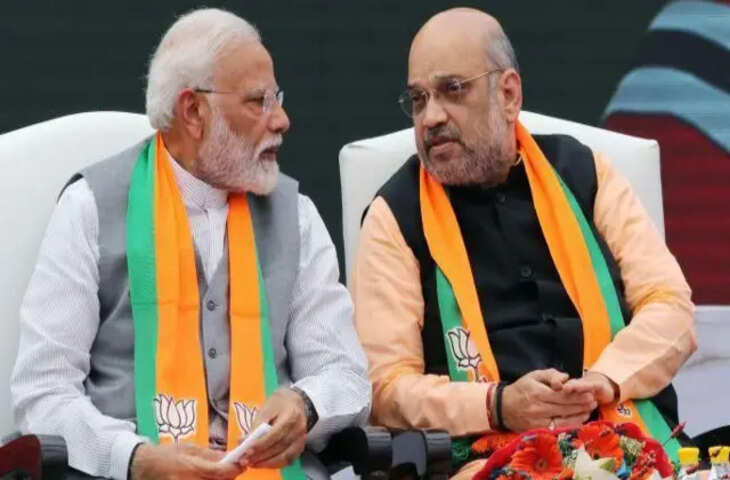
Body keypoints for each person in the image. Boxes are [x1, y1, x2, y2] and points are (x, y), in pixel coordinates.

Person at [11, 8, 370, 480]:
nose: (282, 120)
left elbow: (346, 373)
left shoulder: (295, 215)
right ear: (194, 112)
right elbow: (42, 392)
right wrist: (135, 458)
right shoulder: (90, 208)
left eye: (277, 99)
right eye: (259, 102)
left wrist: (306, 404)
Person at [352, 7, 696, 479]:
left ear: (508, 94)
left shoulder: (584, 173)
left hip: (622, 439)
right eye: (418, 99)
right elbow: (385, 387)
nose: (431, 117)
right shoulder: (395, 216)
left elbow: (671, 305)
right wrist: (498, 405)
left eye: (453, 90)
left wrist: (604, 380)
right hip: (486, 458)